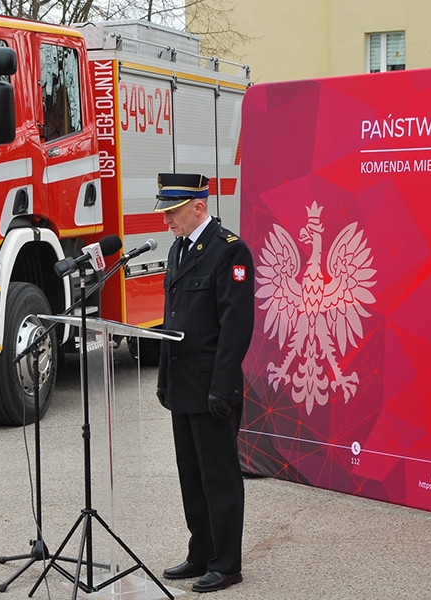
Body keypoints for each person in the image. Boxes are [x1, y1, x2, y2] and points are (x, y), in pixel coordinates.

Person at [153, 172, 254, 593]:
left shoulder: (228, 251)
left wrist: (222, 386)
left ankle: (227, 563)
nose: (166, 221)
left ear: (198, 206)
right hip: (183, 386)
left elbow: (236, 326)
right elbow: (172, 319)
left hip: (213, 387)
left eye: (172, 212)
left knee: (219, 477)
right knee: (191, 475)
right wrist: (163, 377)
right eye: (164, 212)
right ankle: (201, 552)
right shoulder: (179, 250)